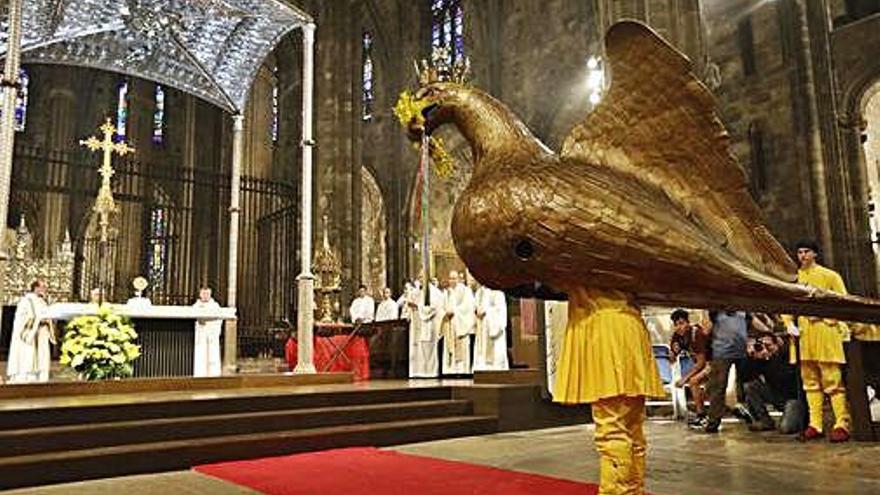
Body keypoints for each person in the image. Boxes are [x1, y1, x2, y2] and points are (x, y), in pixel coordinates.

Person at [553, 288, 665, 495]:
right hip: (630, 326)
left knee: (611, 426)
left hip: (604, 329)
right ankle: (633, 490)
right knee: (632, 427)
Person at [783, 240, 851, 442]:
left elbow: (843, 301)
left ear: (815, 254)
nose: (802, 255)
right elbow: (785, 302)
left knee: (832, 380)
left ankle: (842, 423)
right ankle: (815, 424)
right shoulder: (794, 279)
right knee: (810, 381)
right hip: (803, 332)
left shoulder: (830, 276)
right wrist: (788, 323)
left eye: (806, 251)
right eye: (800, 252)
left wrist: (837, 323)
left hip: (825, 329)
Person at [699, 310, 752, 433]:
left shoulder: (743, 310)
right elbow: (706, 330)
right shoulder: (715, 310)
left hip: (742, 352)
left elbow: (753, 322)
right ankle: (713, 422)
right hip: (721, 353)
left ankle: (754, 416)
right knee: (718, 387)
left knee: (748, 383)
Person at [742, 333, 806, 434]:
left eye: (769, 345)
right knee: (750, 386)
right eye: (762, 346)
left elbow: (785, 377)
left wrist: (771, 359)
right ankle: (765, 421)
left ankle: (798, 418)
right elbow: (746, 378)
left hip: (793, 398)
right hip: (776, 396)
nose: (765, 349)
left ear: (777, 344)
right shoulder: (762, 360)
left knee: (785, 428)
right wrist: (751, 357)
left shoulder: (787, 354)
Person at [7, 279, 56, 383]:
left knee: (42, 356)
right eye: (43, 287)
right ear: (36, 288)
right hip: (30, 333)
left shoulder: (43, 301)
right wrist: (37, 320)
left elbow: (47, 314)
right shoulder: (25, 301)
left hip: (42, 332)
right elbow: (21, 319)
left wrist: (48, 321)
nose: (45, 289)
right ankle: (26, 376)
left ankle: (41, 376)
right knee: (28, 354)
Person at [669, 309, 711, 424]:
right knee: (694, 383)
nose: (679, 327)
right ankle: (702, 413)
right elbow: (672, 358)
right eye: (676, 324)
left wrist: (684, 379)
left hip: (712, 362)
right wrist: (673, 351)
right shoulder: (677, 336)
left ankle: (701, 415)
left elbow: (701, 362)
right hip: (700, 364)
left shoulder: (696, 333)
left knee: (693, 381)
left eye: (682, 323)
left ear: (687, 322)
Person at [441, 271, 476, 375]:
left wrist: (455, 312)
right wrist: (445, 313)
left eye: (454, 278)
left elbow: (468, 306)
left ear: (459, 279)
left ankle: (462, 370)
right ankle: (450, 370)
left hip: (460, 324)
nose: (452, 281)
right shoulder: (447, 292)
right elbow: (442, 306)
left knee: (461, 346)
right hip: (450, 323)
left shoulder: (465, 291)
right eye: (450, 278)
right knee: (449, 346)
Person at [472, 281, 509, 371]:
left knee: (495, 350)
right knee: (481, 348)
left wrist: (486, 311)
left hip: (492, 325)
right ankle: (481, 368)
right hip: (481, 325)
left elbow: (500, 309)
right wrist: (476, 311)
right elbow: (475, 306)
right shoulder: (479, 292)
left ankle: (496, 369)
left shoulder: (497, 291)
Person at [408, 280, 442, 377]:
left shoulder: (435, 293)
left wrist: (417, 306)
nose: (420, 281)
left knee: (428, 348)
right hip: (417, 325)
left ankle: (430, 372)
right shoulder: (418, 291)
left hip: (430, 324)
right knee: (418, 348)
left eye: (422, 277)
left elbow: (433, 308)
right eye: (419, 278)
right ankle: (418, 371)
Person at [193, 287, 222, 377]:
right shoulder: (195, 306)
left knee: (213, 355)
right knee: (200, 354)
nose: (205, 296)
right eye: (203, 294)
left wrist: (214, 329)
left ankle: (213, 374)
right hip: (200, 333)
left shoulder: (215, 306)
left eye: (207, 294)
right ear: (200, 295)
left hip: (212, 333)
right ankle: (199, 374)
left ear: (210, 294)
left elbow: (219, 319)